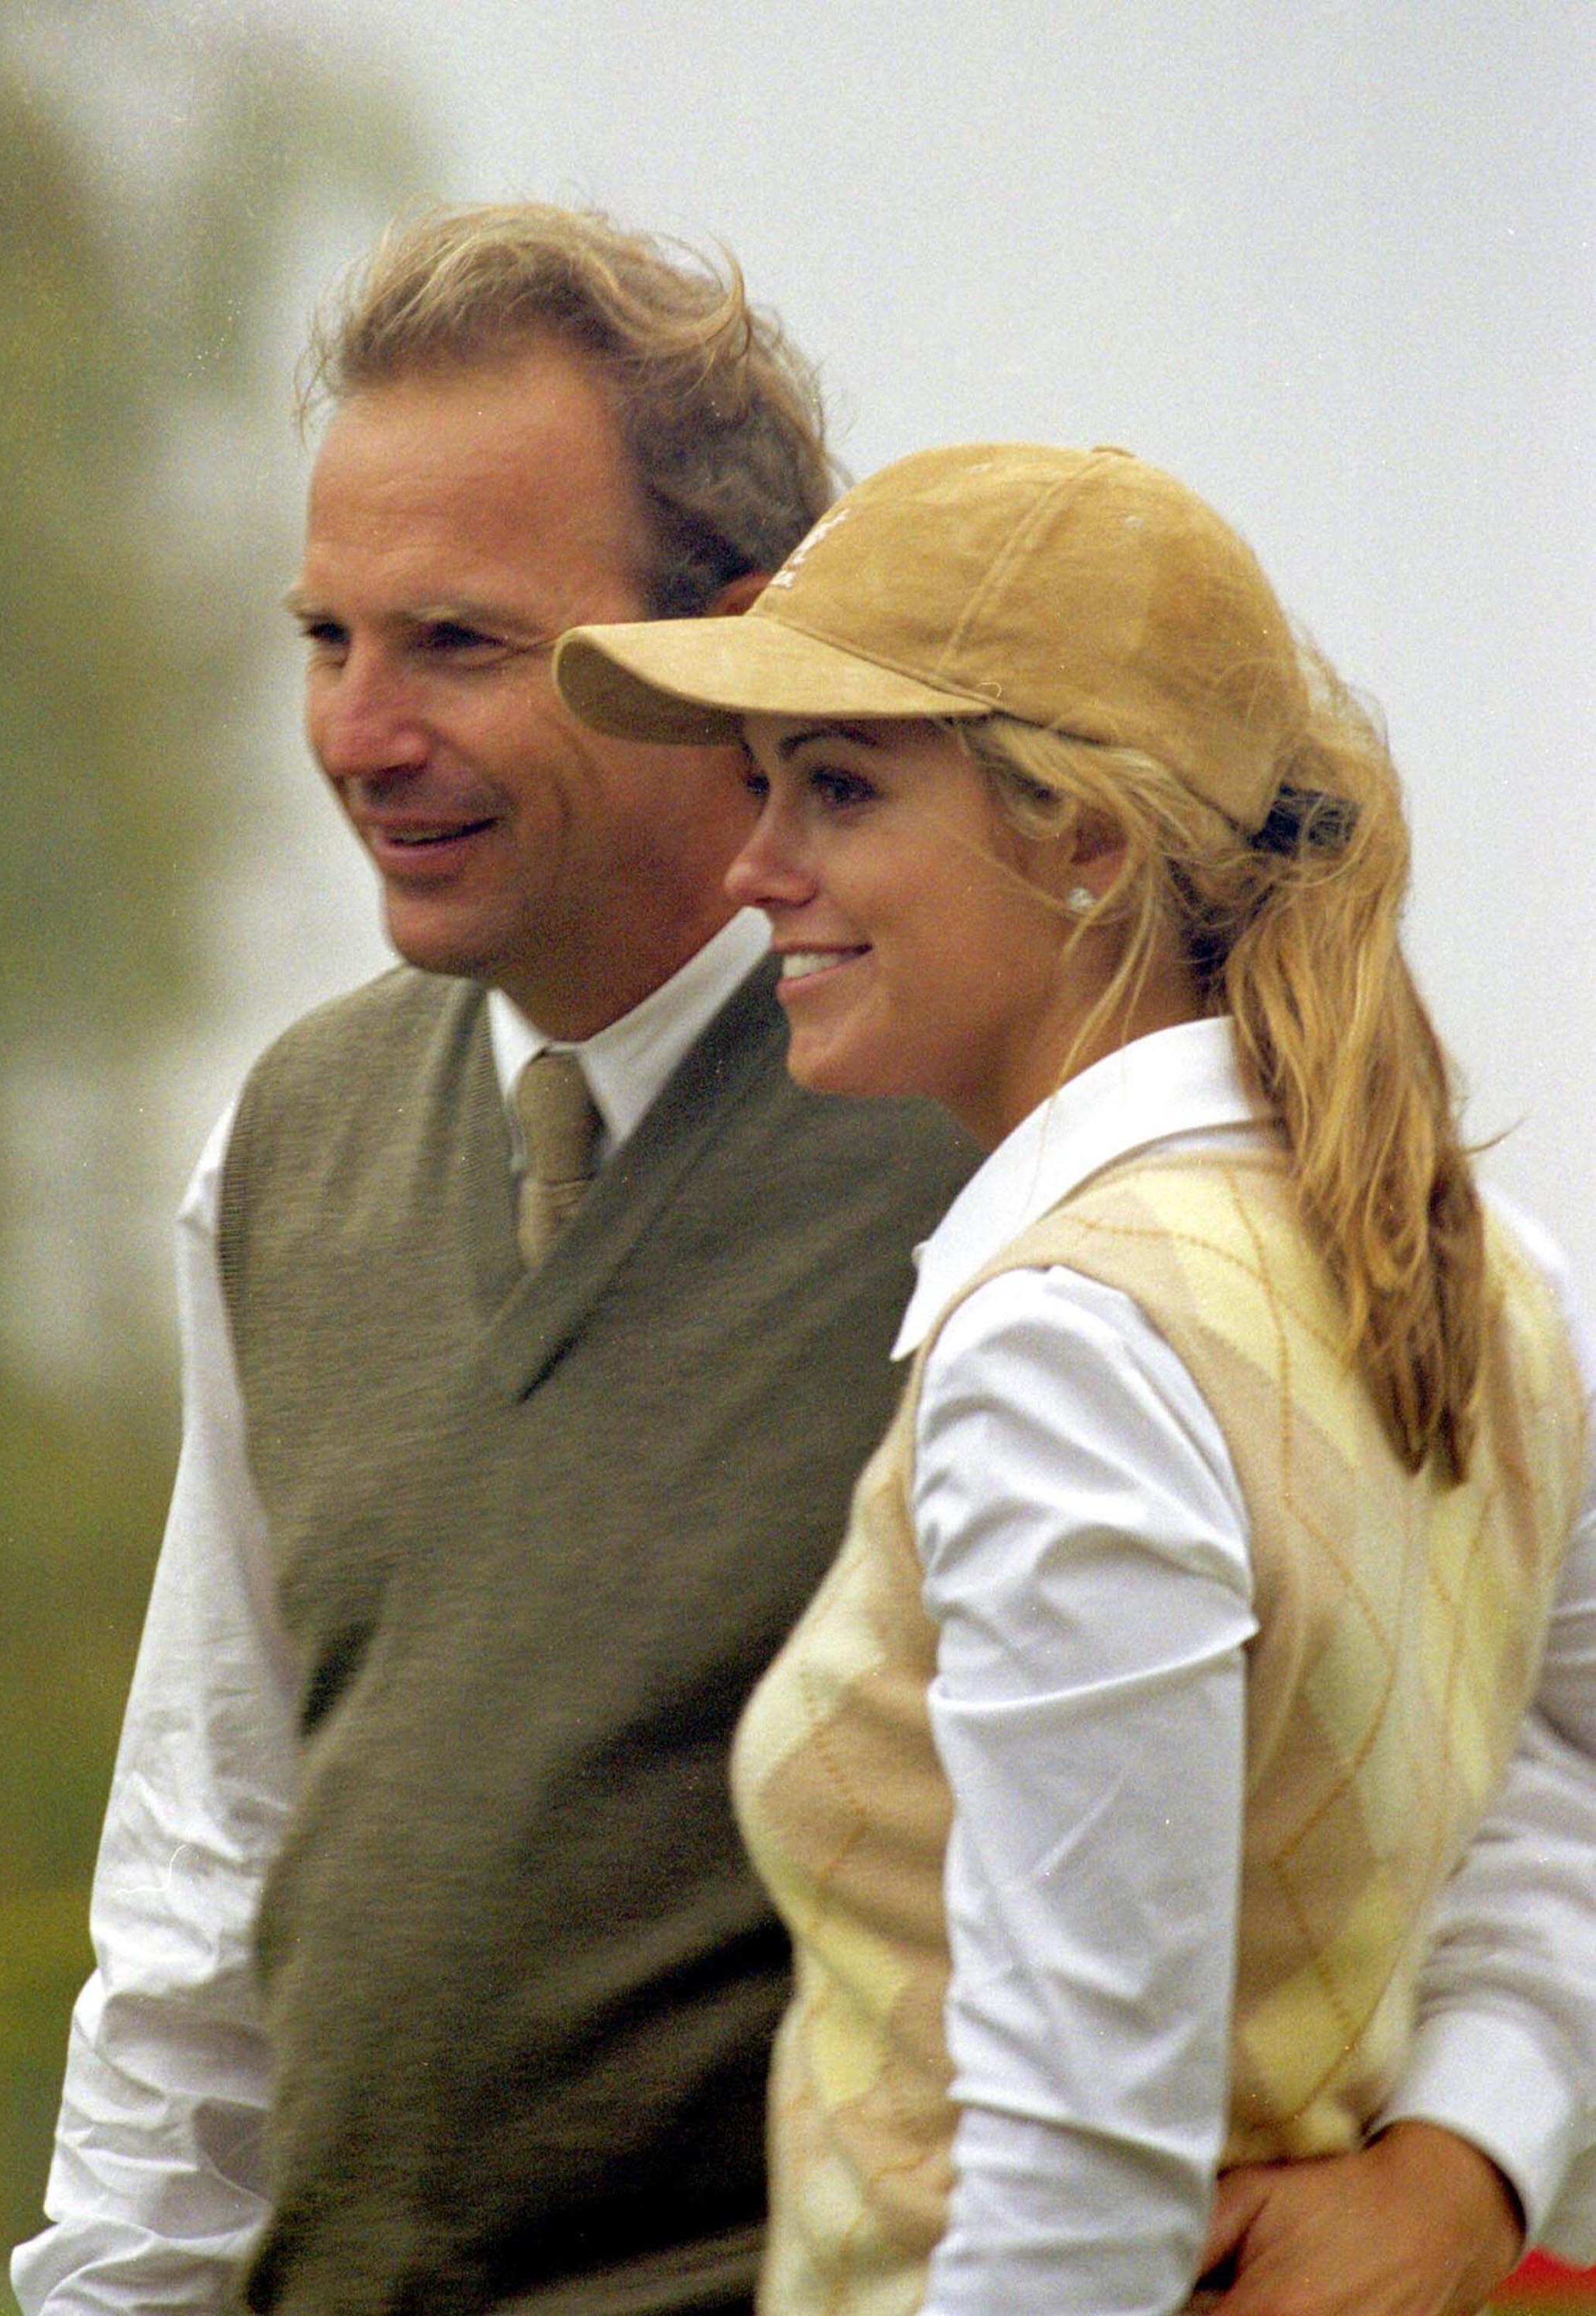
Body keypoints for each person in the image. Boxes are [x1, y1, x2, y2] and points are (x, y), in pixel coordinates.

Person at [14, 208, 1592, 2316]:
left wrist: (1465, 2162)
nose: (357, 733)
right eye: (325, 639)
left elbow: (1491, 1732)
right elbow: (206, 1867)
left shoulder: (1047, 1194)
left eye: (461, 645)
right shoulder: (285, 1148)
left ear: (743, 634)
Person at [553, 439, 1596, 2316]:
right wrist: (1475, 2153)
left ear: (1089, 840)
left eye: (841, 790)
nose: (755, 867)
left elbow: (1076, 2188)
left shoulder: (1069, 1344)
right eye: (765, 787)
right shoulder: (1502, 1278)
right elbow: (1572, 1798)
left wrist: (1463, 2177)